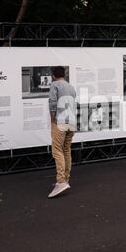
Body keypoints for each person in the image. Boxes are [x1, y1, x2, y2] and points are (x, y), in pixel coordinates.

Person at [47, 66, 77, 198]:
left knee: (57, 150)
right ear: (64, 74)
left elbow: (53, 102)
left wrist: (52, 117)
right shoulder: (70, 87)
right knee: (66, 149)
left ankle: (61, 181)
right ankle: (66, 179)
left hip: (60, 122)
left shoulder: (55, 85)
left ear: (53, 75)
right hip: (71, 121)